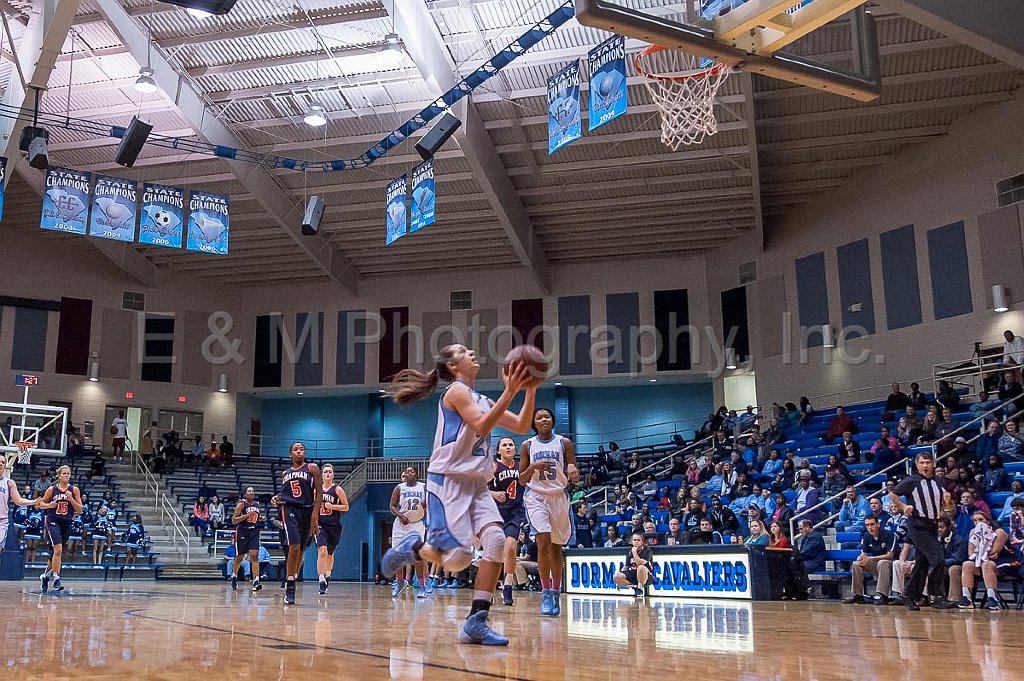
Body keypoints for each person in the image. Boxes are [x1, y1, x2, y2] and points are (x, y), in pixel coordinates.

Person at [379, 345, 536, 646]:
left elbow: (520, 425)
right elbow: (481, 424)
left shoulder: (481, 398)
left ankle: (477, 621)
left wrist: (528, 390)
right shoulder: (455, 393)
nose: (473, 351)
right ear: (453, 366)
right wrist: (510, 390)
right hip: (447, 481)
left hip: (476, 482)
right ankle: (414, 548)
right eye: (464, 351)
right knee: (460, 558)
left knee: (495, 541)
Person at [519, 407, 577, 617]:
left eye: (547, 416)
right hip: (536, 496)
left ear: (552, 421)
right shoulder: (528, 445)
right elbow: (522, 479)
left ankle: (555, 591)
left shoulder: (564, 443)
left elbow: (574, 473)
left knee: (556, 547)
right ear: (534, 423)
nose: (544, 419)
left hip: (558, 496)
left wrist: (572, 469)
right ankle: (545, 591)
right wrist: (533, 466)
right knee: (542, 540)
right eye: (539, 417)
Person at [889, 452, 958, 610]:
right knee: (938, 558)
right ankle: (937, 596)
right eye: (922, 463)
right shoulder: (911, 481)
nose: (925, 466)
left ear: (933, 463)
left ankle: (908, 595)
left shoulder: (939, 481)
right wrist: (903, 506)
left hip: (933, 525)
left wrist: (947, 503)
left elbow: (947, 507)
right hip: (917, 525)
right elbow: (892, 494)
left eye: (928, 462)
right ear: (917, 465)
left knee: (922, 563)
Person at [270, 442, 322, 605]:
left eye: (302, 449)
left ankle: (293, 576)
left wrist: (315, 516)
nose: (299, 451)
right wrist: (277, 498)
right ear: (290, 454)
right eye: (295, 449)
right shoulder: (285, 473)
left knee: (301, 548)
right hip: (290, 509)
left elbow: (319, 492)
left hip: (307, 510)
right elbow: (287, 493)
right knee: (293, 545)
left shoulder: (312, 468)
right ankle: (290, 584)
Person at [489, 436, 526, 606]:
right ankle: (488, 587)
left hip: (515, 512)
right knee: (494, 552)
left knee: (511, 547)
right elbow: (478, 488)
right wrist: (494, 494)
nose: (508, 447)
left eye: (511, 444)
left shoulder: (521, 466)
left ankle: (508, 586)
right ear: (499, 450)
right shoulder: (493, 465)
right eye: (504, 445)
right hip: (495, 512)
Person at [37, 465, 83, 592]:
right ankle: (56, 578)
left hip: (66, 522)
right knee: (58, 549)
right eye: (64, 473)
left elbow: (80, 509)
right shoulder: (52, 489)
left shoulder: (74, 490)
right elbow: (40, 504)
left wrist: (71, 499)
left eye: (68, 473)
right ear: (59, 475)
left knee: (55, 553)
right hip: (53, 520)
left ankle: (45, 576)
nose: (66, 475)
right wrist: (49, 505)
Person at [958, 511, 1016, 610]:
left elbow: (992, 553)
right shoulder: (973, 532)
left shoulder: (999, 532)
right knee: (967, 564)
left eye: (981, 519)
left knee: (987, 564)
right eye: (975, 520)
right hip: (982, 562)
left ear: (988, 521)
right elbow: (970, 554)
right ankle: (967, 598)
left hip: (1004, 562)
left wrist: (979, 553)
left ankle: (993, 598)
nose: (978, 522)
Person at [389, 466, 428, 598]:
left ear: (417, 475)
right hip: (400, 525)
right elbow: (392, 506)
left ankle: (422, 585)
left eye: (412, 471)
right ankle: (400, 582)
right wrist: (401, 516)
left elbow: (431, 504)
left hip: (416, 525)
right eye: (407, 471)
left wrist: (426, 506)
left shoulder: (423, 487)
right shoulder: (399, 488)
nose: (408, 473)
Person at [842, 515, 897, 604]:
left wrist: (871, 558)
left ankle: (883, 596)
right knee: (856, 564)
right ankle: (858, 595)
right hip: (876, 563)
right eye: (867, 525)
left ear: (878, 524)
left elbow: (890, 555)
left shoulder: (889, 534)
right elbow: (864, 553)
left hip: (892, 564)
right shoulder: (867, 535)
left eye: (872, 524)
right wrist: (861, 558)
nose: (870, 527)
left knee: (882, 562)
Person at [315, 463, 349, 595]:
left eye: (330, 471)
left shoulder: (337, 490)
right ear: (322, 475)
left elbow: (346, 506)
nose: (328, 473)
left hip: (334, 526)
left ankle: (327, 574)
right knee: (322, 551)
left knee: (330, 553)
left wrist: (332, 506)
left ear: (333, 474)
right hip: (320, 525)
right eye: (325, 472)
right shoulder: (317, 490)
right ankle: (321, 580)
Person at [0, 456, 39, 559]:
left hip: (1, 522)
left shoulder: (9, 483)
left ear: (5, 466)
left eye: (3, 462)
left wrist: (33, 502)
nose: (0, 464)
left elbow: (18, 500)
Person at [230, 486, 264, 592]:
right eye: (249, 491)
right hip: (242, 531)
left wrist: (261, 518)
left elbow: (256, 517)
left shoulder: (257, 504)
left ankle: (256, 581)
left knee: (254, 556)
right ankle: (234, 575)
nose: (252, 492)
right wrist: (246, 515)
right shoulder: (242, 504)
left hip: (254, 531)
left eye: (253, 491)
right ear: (245, 494)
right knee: (240, 557)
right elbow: (234, 520)